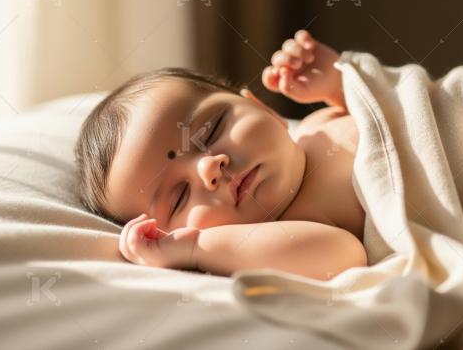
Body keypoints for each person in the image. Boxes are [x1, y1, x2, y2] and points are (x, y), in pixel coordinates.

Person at [74, 30, 368, 281]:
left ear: (260, 106)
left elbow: (385, 106)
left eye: (211, 131)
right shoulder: (291, 229)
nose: (210, 168)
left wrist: (339, 83)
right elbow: (344, 256)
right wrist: (196, 248)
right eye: (180, 197)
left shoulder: (315, 124)